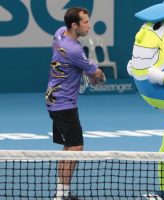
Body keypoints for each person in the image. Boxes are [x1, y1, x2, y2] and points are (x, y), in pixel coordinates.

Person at [45, 7, 106, 200]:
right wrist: (98, 75)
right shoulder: (75, 50)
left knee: (69, 148)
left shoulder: (59, 34)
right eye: (85, 22)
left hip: (55, 99)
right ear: (74, 25)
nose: (89, 25)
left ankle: (62, 192)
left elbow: (81, 68)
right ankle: (60, 195)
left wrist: (84, 72)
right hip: (63, 104)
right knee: (76, 148)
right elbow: (97, 75)